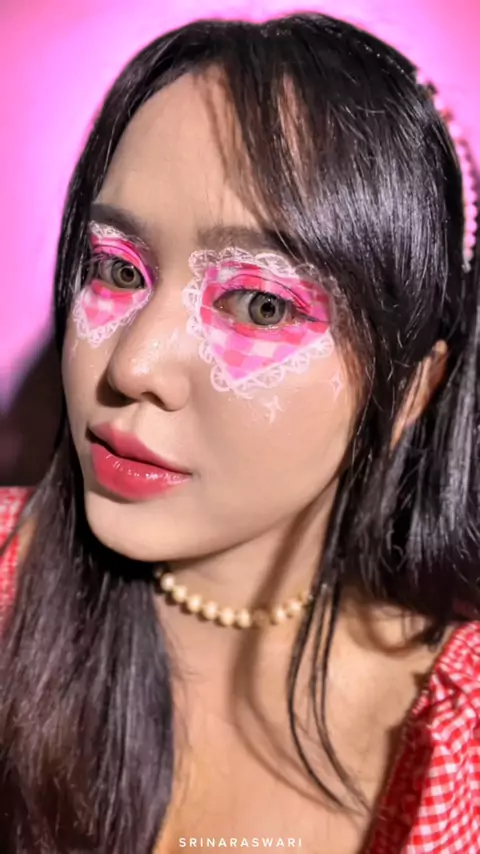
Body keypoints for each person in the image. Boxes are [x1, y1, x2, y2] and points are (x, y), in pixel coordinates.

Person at [0, 11, 479, 854]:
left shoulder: (461, 736)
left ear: (411, 389)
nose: (134, 366)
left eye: (259, 304)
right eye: (115, 268)